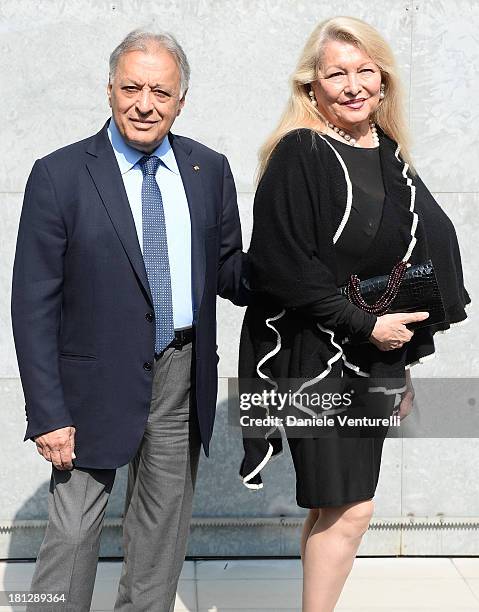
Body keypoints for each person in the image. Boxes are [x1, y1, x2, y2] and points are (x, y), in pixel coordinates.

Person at [12, 29, 248, 612]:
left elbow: (231, 273)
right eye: (132, 88)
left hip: (179, 373)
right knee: (70, 535)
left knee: (161, 536)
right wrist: (48, 411)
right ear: (110, 90)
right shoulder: (59, 174)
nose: (145, 104)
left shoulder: (208, 170)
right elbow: (32, 304)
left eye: (161, 92)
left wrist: (309, 260)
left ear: (182, 100)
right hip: (90, 385)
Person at [238, 16, 470, 612]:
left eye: (365, 70)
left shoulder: (391, 155)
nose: (352, 84)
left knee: (331, 505)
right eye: (336, 73)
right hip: (316, 355)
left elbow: (415, 261)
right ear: (311, 87)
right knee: (353, 507)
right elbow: (282, 264)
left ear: (384, 82)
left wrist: (406, 359)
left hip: (376, 358)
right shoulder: (301, 153)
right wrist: (366, 325)